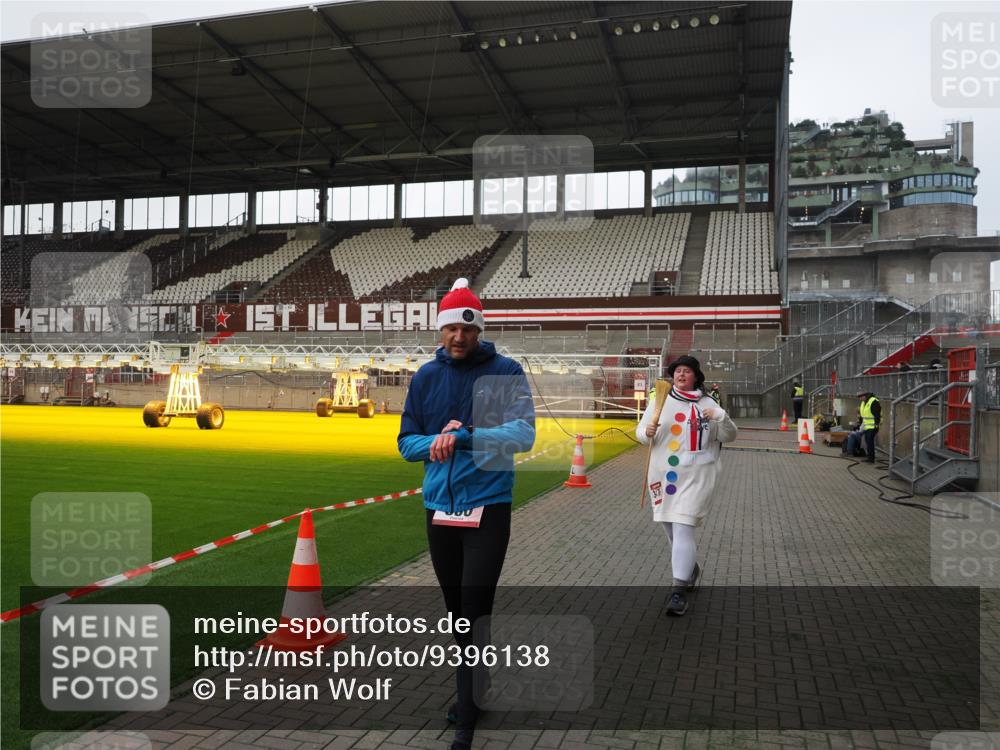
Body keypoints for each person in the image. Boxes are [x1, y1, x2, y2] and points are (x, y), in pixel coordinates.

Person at [397, 278, 535, 750]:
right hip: (439, 509)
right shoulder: (425, 377)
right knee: (458, 613)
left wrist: (467, 434)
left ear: (480, 330)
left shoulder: (505, 370)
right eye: (452, 328)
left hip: (488, 508)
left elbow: (523, 434)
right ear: (441, 330)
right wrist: (435, 441)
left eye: (468, 329)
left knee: (474, 608)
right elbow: (405, 442)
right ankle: (478, 682)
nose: (459, 337)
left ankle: (466, 719)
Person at [637, 355, 737, 616]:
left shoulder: (707, 403)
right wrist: (646, 432)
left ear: (696, 376)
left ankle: (678, 590)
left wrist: (721, 416)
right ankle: (689, 567)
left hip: (697, 475)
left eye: (687, 371)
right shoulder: (659, 400)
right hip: (663, 475)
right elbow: (640, 433)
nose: (681, 375)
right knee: (671, 528)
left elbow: (729, 436)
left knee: (683, 526)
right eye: (677, 371)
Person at [858, 390, 882, 463]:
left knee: (870, 442)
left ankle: (871, 459)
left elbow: (877, 414)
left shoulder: (873, 401)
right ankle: (869, 457)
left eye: (860, 397)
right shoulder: (863, 403)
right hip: (867, 426)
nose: (860, 399)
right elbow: (863, 416)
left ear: (865, 396)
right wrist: (860, 424)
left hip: (873, 426)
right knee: (867, 442)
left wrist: (876, 424)